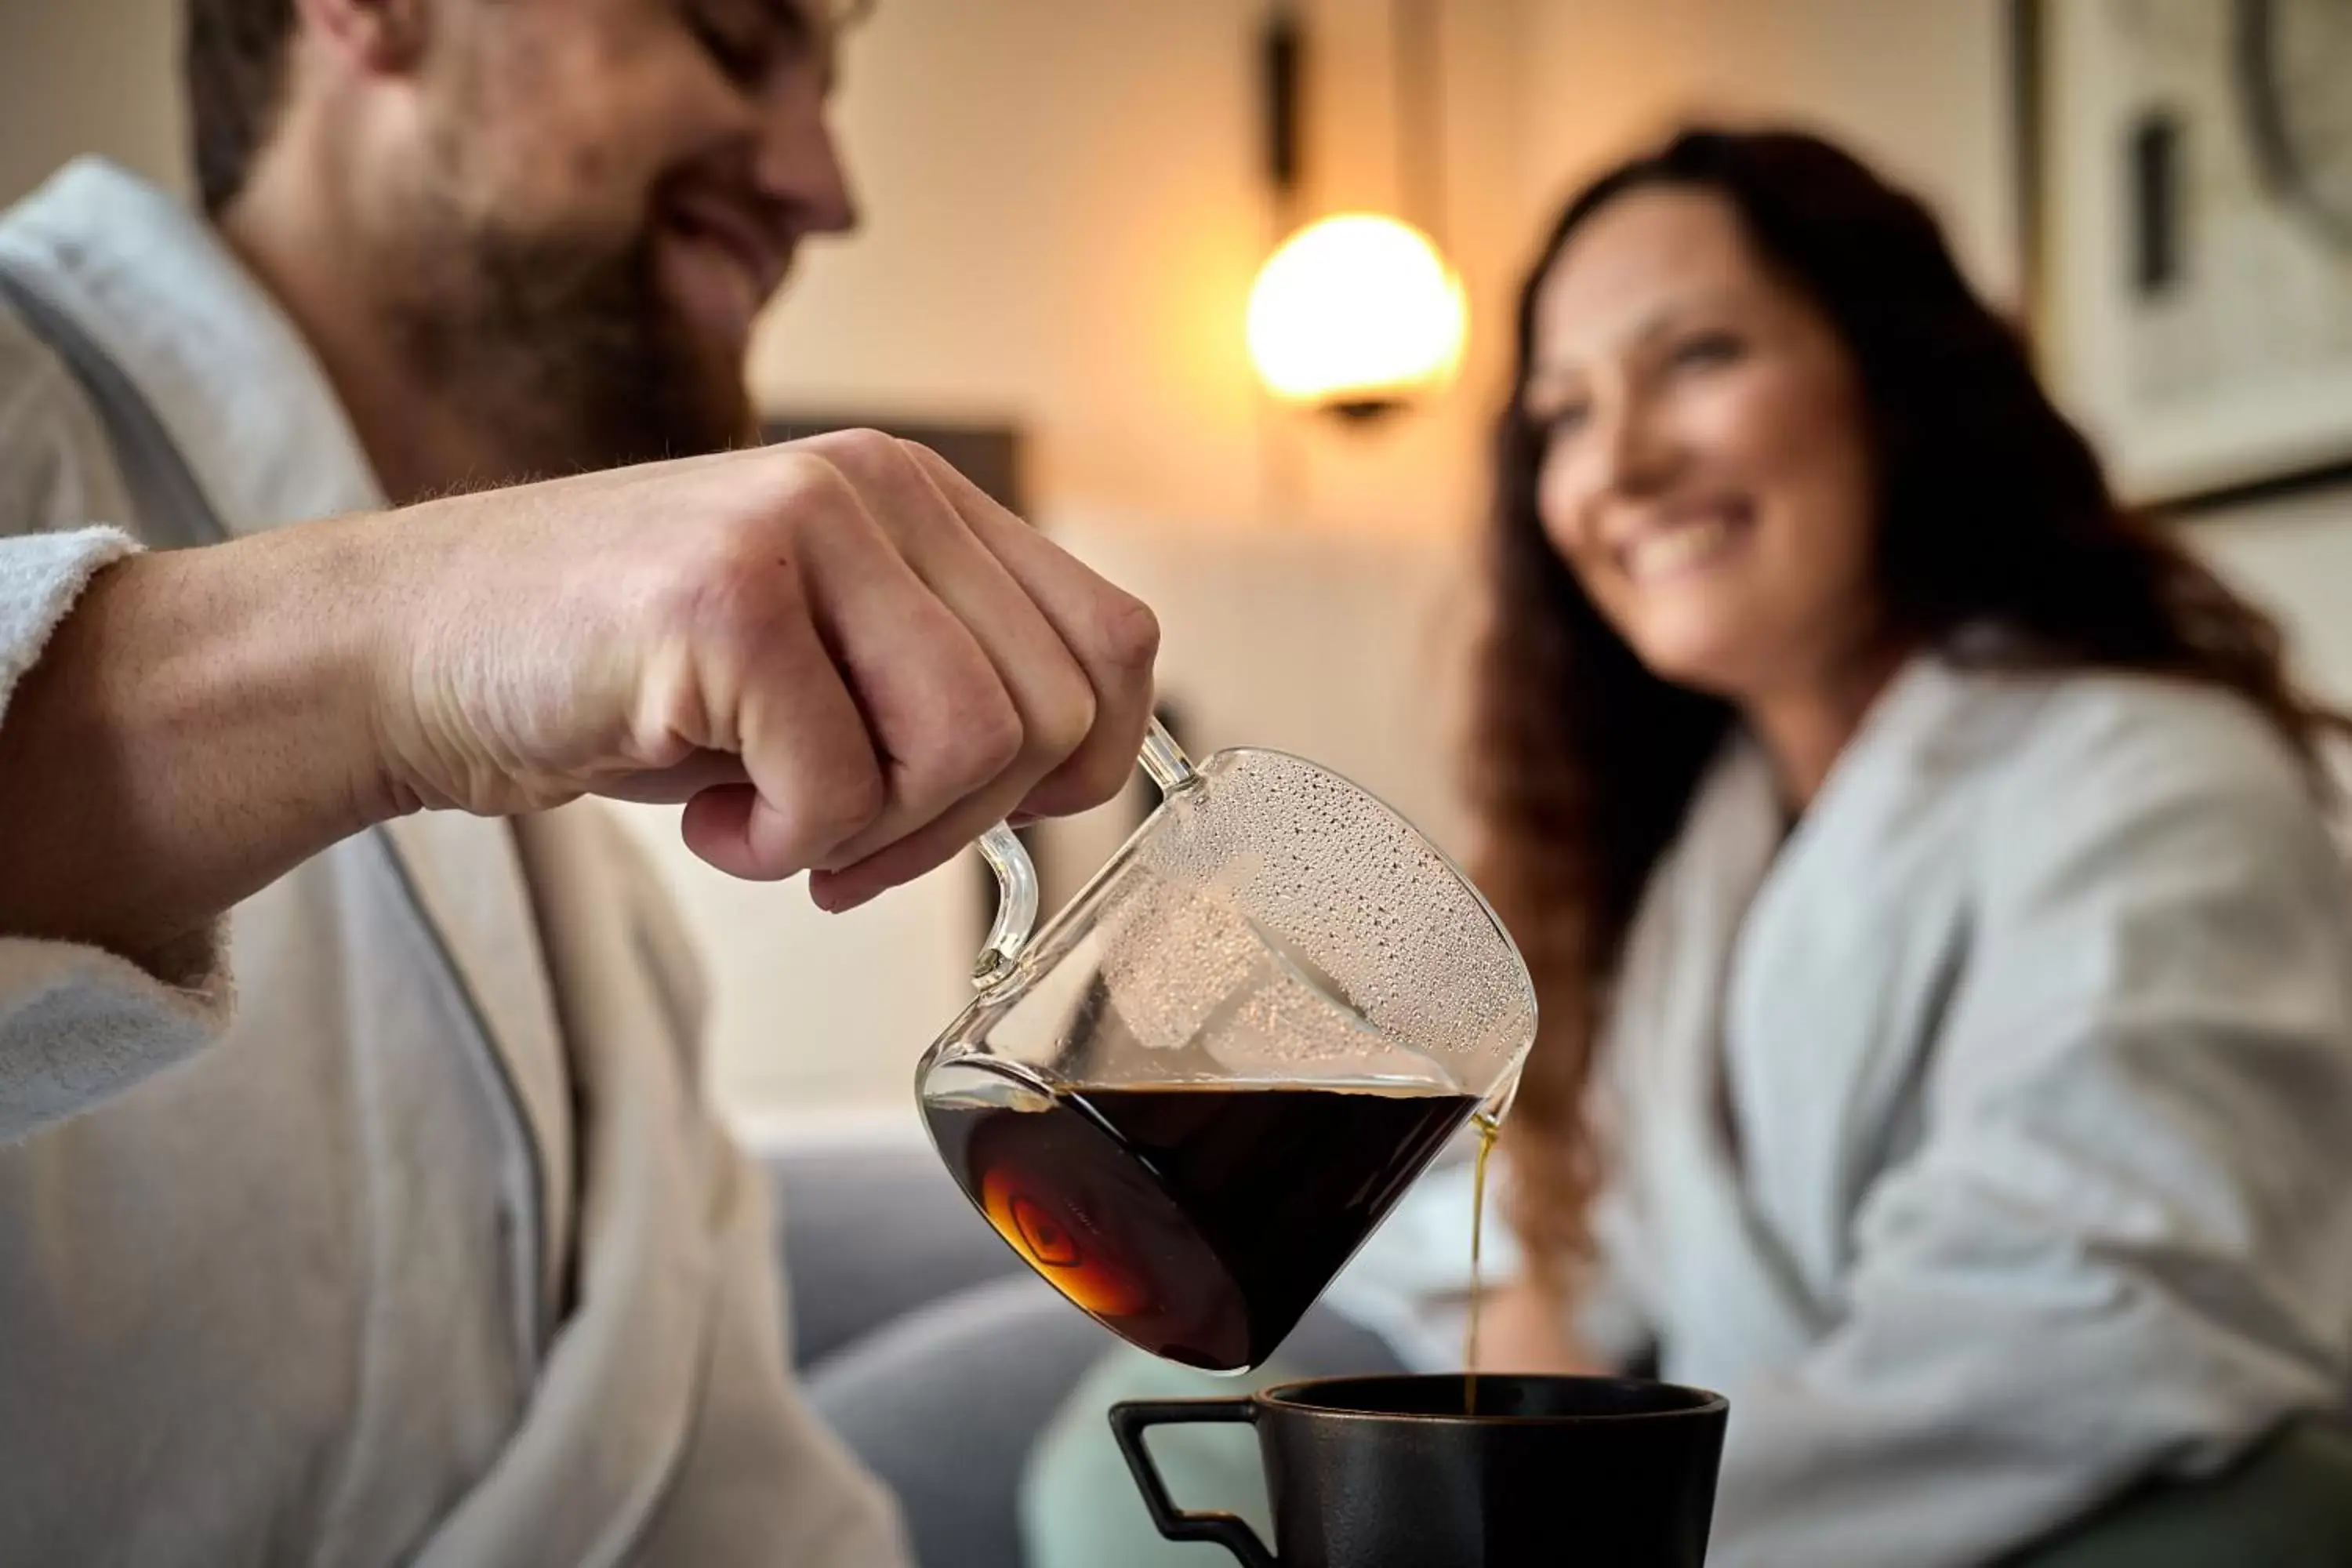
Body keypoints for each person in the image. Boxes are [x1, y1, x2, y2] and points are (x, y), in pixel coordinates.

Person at [1024, 126, 2352, 1567]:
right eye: (1566, 414)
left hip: (2015, 1508)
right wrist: (1520, 1305)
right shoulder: (1717, 832)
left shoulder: (2152, 788)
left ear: (1894, 382)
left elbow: (2077, 1328)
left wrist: (1535, 1500)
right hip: (1743, 1471)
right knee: (1120, 1425)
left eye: (1699, 357)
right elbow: (1591, 1215)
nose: (1625, 463)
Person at [0, 0, 1158, 1560]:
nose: (828, 185)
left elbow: (738, 1509)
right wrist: (396, 645)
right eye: (740, 31)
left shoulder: (591, 920)